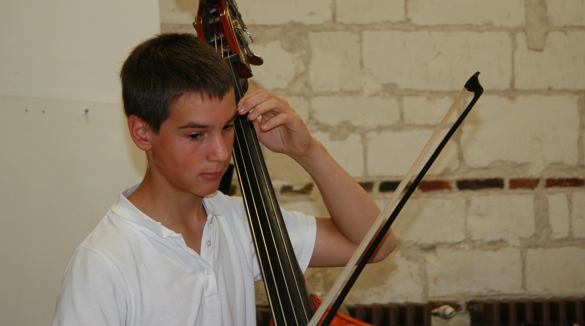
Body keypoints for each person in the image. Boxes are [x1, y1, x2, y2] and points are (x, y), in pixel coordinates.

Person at [52, 32, 396, 325]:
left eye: (228, 127)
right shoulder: (103, 263)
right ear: (143, 133)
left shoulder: (241, 222)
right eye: (195, 135)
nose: (220, 153)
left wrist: (308, 152)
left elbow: (374, 244)